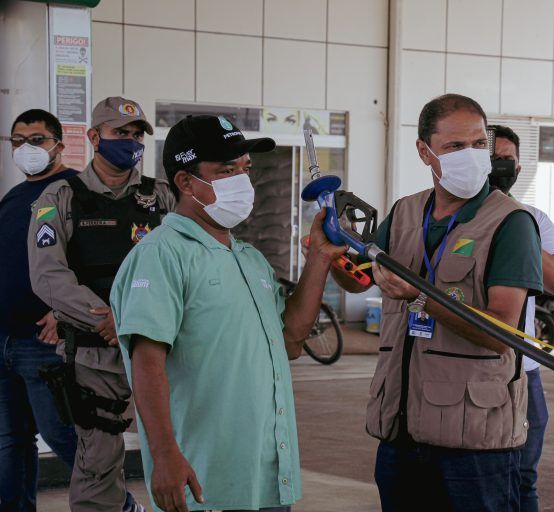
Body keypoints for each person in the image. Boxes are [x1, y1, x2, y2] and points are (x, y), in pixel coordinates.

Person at [109, 114, 345, 512]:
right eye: (226, 170)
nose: (242, 181)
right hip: (204, 478)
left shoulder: (249, 258)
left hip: (266, 474)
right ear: (185, 182)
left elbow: (289, 340)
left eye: (244, 169)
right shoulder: (161, 255)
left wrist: (319, 261)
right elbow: (146, 363)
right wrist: (165, 454)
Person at [335, 94, 543, 511]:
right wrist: (329, 253)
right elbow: (358, 280)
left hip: (474, 443)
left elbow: (502, 333)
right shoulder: (406, 213)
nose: (471, 156)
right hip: (402, 433)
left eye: (479, 144)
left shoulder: (511, 223)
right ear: (424, 151)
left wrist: (421, 297)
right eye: (455, 147)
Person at [27, 97, 175, 512]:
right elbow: (48, 274)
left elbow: (184, 265)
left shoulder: (160, 197)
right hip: (95, 352)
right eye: (119, 133)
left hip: (162, 345)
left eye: (135, 135)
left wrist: (132, 319)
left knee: (181, 445)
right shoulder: (58, 197)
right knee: (98, 460)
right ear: (94, 137)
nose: (129, 142)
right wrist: (108, 318)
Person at [488, 124, 554, 512]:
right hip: (463, 368)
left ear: (519, 169)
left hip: (524, 372)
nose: (498, 166)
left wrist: (510, 223)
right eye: (489, 157)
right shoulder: (440, 216)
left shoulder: (533, 219)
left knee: (522, 477)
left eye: (506, 159)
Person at [0, 109, 79, 511]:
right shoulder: (14, 197)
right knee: (10, 441)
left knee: (65, 436)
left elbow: (99, 263)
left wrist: (65, 312)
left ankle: (119, 503)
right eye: (18, 140)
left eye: (36, 139)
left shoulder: (77, 190)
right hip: (6, 340)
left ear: (59, 145)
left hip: (46, 344)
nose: (26, 148)